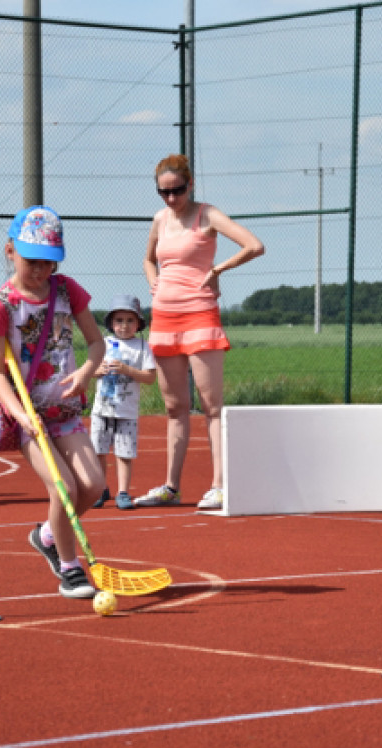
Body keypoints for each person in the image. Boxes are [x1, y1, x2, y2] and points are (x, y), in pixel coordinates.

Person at [0, 205, 106, 599]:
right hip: (28, 417)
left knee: (93, 485)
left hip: (65, 409)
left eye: (47, 263)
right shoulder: (2, 304)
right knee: (64, 487)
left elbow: (96, 344)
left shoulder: (67, 291)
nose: (39, 270)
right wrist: (21, 414)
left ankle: (48, 535)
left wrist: (86, 372)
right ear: (10, 251)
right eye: (31, 260)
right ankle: (70, 568)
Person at [134, 154, 264, 511]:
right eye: (164, 192)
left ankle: (219, 485)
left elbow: (254, 245)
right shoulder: (160, 219)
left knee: (212, 407)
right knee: (175, 407)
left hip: (200, 316)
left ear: (190, 185)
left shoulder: (208, 214)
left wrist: (219, 269)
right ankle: (171, 487)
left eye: (177, 190)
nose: (171, 199)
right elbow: (148, 259)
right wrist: (153, 283)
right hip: (164, 319)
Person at [89, 294, 157, 510]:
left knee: (124, 453)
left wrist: (127, 370)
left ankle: (123, 492)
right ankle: (101, 489)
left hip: (126, 411)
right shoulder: (104, 343)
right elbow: (91, 369)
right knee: (99, 451)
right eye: (119, 320)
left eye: (130, 320)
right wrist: (98, 371)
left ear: (138, 323)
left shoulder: (142, 347)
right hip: (102, 409)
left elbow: (150, 377)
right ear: (111, 323)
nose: (124, 326)